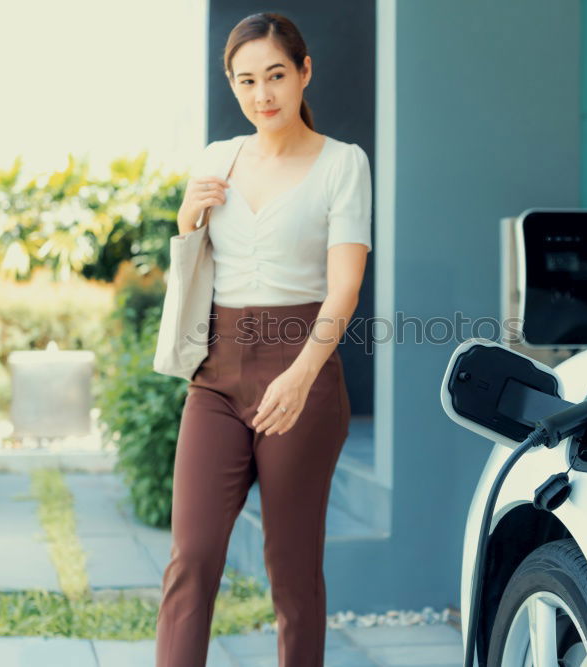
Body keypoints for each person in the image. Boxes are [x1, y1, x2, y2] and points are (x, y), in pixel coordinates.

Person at [154, 11, 372, 667]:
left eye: (276, 75)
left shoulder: (343, 164)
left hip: (300, 370)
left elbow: (344, 290)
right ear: (232, 85)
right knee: (191, 556)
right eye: (246, 81)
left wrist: (303, 373)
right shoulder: (216, 161)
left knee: (291, 567)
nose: (262, 95)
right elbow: (193, 263)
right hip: (217, 374)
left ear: (305, 72)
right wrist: (188, 215)